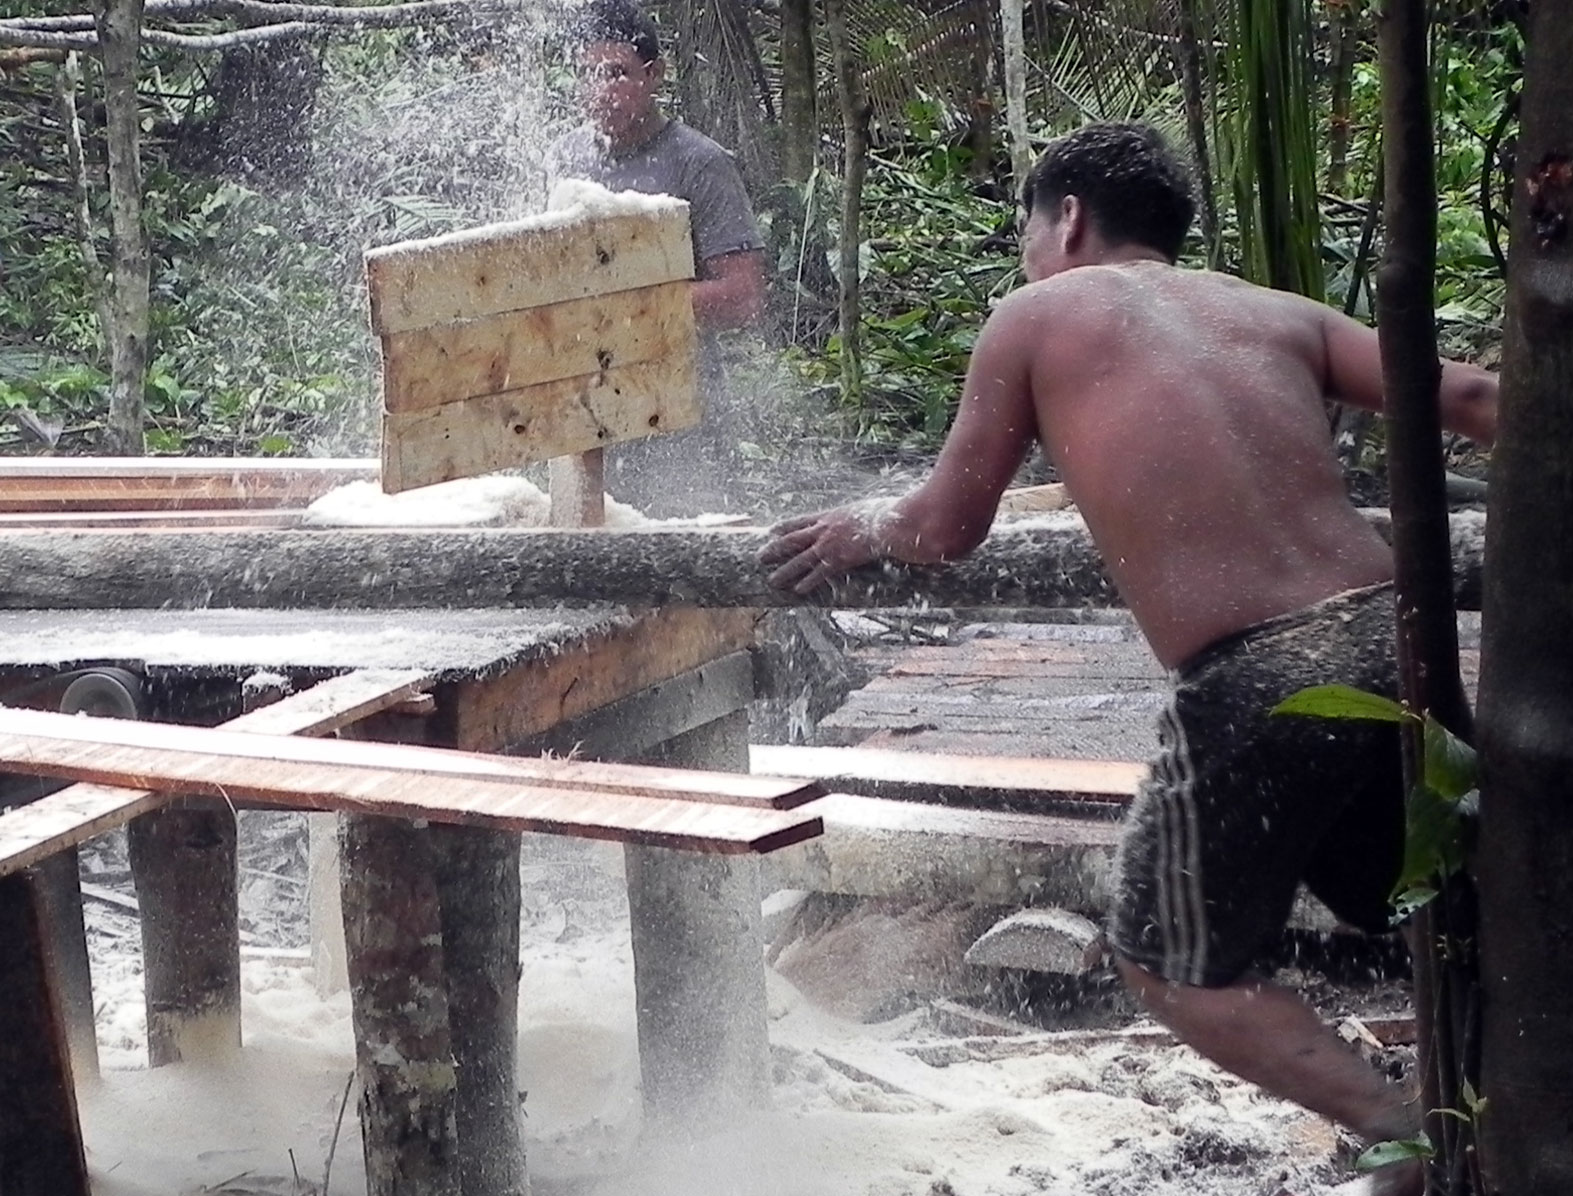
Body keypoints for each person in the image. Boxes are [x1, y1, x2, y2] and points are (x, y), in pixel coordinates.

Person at [761, 123, 1497, 1195]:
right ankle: (1479, 1118)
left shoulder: (1036, 315)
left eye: (1025, 229)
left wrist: (861, 527)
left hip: (1262, 673)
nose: (1026, 254)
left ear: (1065, 219)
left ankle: (1406, 1134)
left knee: (1167, 961)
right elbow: (1473, 400)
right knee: (1444, 910)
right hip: (1393, 637)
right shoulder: (1274, 311)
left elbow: (944, 525)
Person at [548, 1, 766, 332]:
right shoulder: (564, 157)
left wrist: (631, 307)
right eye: (588, 74)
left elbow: (744, 296)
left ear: (654, 74)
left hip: (676, 361)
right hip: (579, 359)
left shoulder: (698, 162)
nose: (601, 92)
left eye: (617, 74)